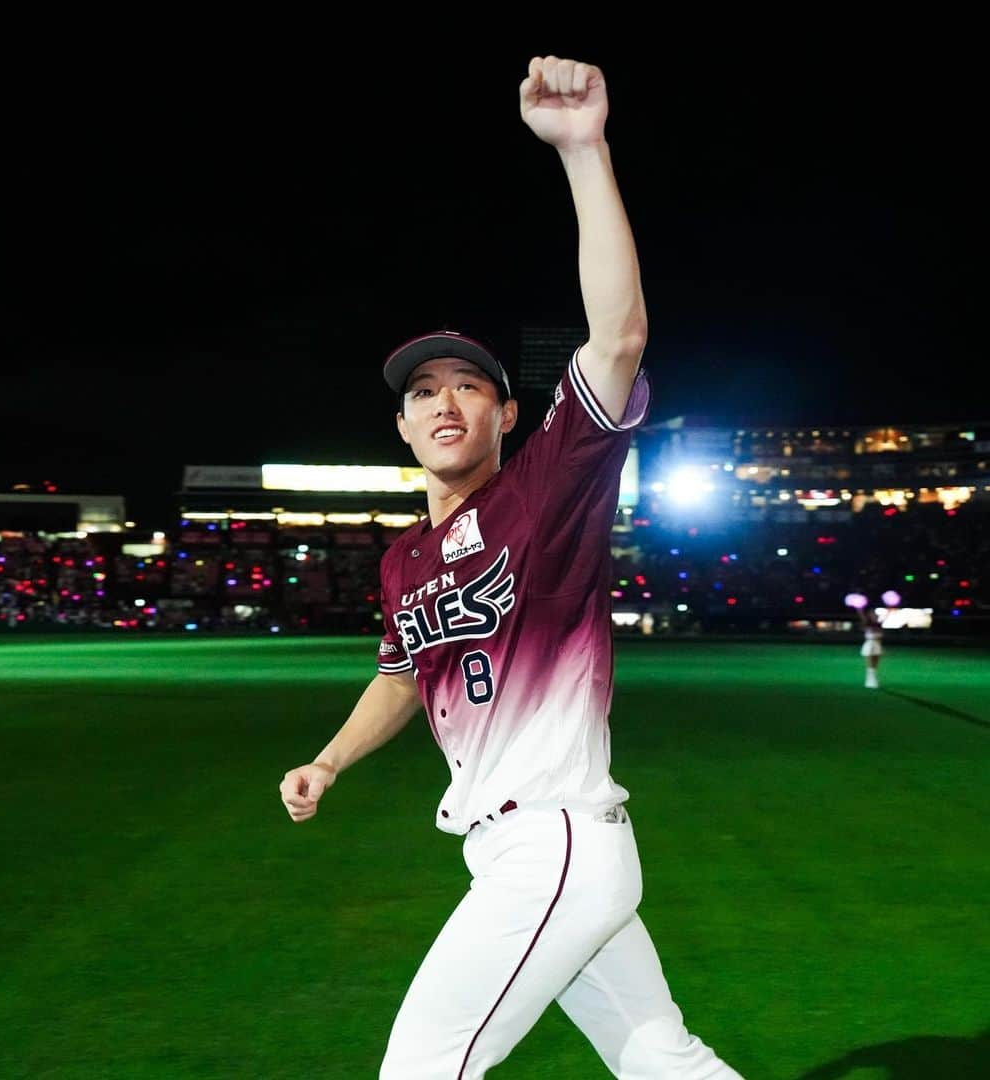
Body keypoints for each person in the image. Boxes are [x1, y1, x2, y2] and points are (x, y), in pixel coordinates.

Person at [280, 55, 742, 1078]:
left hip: (555, 842)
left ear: (506, 413)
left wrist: (583, 150)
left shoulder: (545, 491)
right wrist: (331, 760)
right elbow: (403, 674)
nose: (445, 403)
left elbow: (617, 336)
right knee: (664, 1061)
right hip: (516, 850)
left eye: (468, 387)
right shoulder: (404, 561)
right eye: (423, 394)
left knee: (421, 1069)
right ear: (402, 427)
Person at [859, 606, 884, 688]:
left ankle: (874, 681)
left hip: (877, 645)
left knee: (875, 665)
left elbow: (880, 637)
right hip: (869, 644)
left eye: (874, 614)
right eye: (872, 614)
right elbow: (862, 616)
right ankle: (869, 682)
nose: (874, 615)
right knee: (870, 665)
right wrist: (859, 608)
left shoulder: (879, 624)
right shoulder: (866, 623)